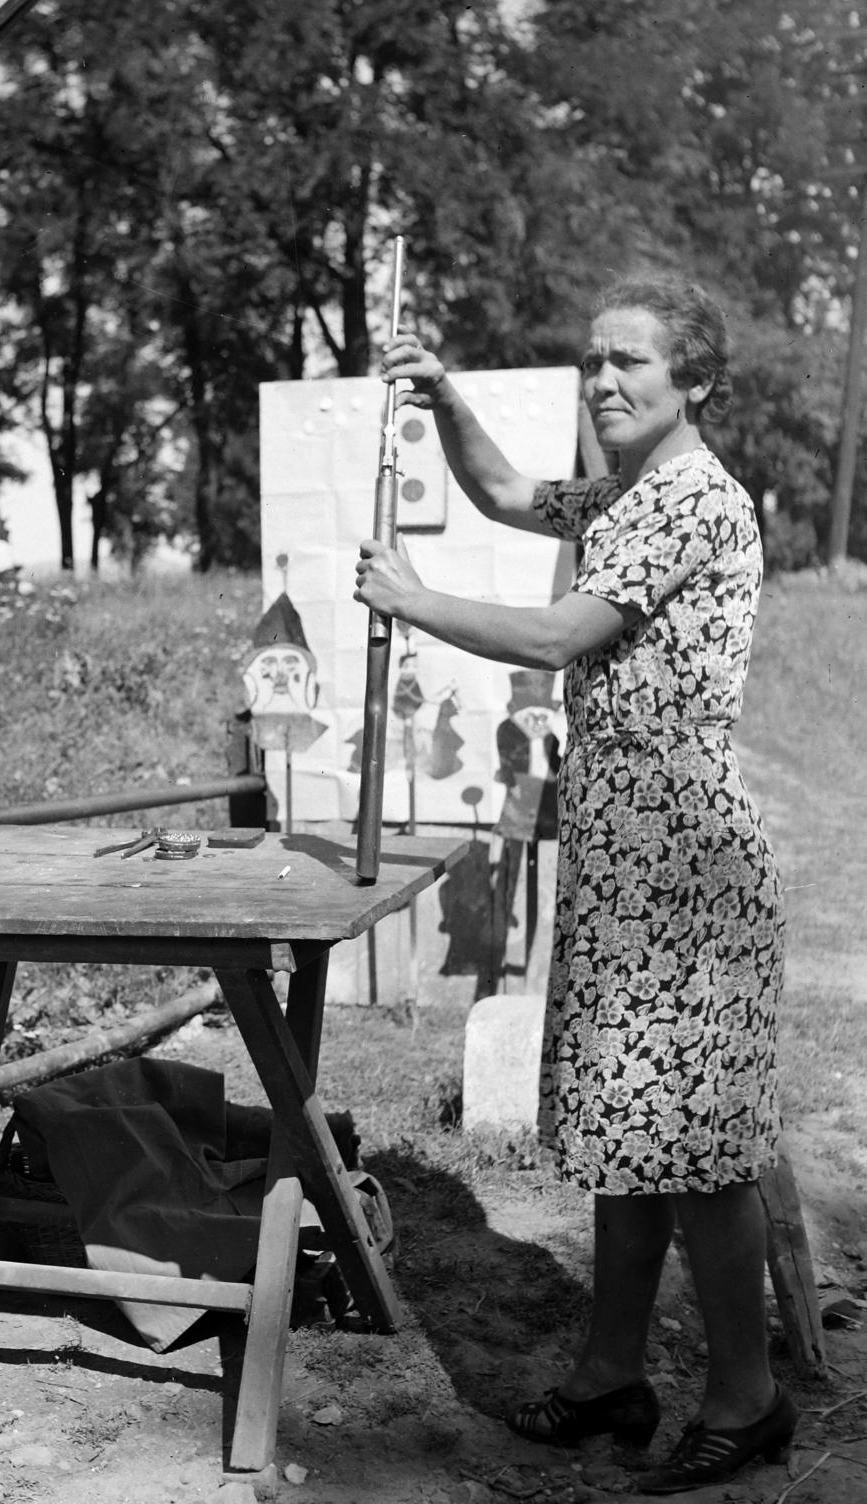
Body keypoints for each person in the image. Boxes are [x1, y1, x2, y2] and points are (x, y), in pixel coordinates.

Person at [356, 277, 791, 1495]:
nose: (602, 380)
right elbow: (501, 492)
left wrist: (411, 600)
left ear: (694, 382)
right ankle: (611, 1370)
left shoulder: (696, 499)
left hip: (688, 868)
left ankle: (749, 1400)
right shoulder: (623, 494)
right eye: (592, 361)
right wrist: (440, 394)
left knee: (698, 1146)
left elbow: (560, 636)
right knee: (623, 1124)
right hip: (622, 854)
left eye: (630, 364)